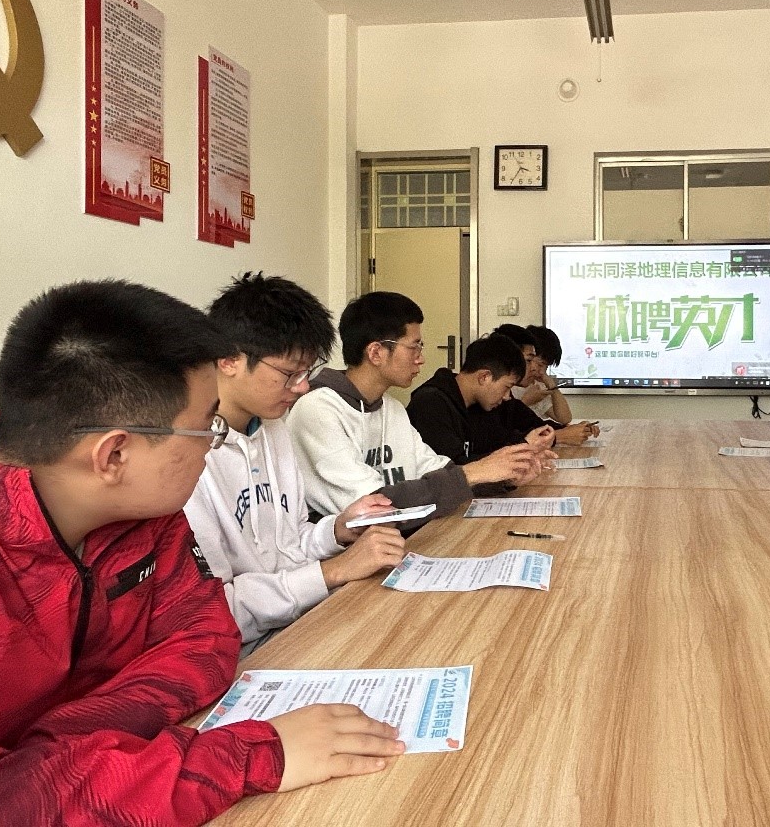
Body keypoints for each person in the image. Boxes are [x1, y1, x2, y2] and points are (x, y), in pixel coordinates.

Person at [0, 280, 403, 826]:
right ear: (114, 455)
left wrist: (52, 751)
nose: (215, 445)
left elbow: (206, 638)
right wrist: (250, 756)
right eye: (206, 427)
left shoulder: (144, 511)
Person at [183, 273, 406, 655]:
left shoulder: (273, 427)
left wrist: (336, 530)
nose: (303, 387)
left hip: (301, 620)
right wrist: (333, 571)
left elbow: (290, 541)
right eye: (290, 374)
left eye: (307, 372)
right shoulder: (185, 458)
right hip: (242, 652)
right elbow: (215, 612)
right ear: (229, 359)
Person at [288, 291, 544, 522]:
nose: (421, 359)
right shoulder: (318, 409)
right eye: (414, 347)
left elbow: (436, 469)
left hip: (397, 540)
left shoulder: (392, 408)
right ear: (376, 352)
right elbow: (372, 506)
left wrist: (504, 475)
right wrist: (475, 473)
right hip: (349, 552)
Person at [408, 333, 554, 467]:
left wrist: (527, 445)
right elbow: (453, 471)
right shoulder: (430, 404)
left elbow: (496, 444)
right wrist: (523, 448)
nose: (506, 397)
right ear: (484, 377)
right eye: (507, 387)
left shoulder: (478, 404)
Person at [514, 324, 600, 442]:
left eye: (546, 367)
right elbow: (507, 432)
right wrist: (526, 401)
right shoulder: (510, 388)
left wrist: (552, 386)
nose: (541, 371)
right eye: (539, 364)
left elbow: (564, 419)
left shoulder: (536, 386)